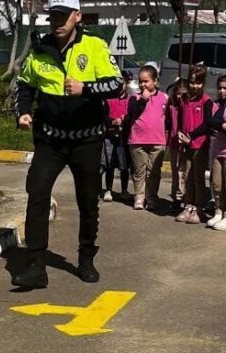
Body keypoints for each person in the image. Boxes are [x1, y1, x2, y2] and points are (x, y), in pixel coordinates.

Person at [12, 0, 121, 289]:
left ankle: (86, 257)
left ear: (77, 16)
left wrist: (85, 88)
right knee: (37, 193)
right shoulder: (40, 49)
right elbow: (25, 85)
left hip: (86, 139)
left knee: (88, 199)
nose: (57, 21)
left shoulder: (94, 46)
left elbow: (118, 85)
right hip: (50, 140)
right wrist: (23, 111)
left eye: (63, 15)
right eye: (53, 16)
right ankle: (36, 265)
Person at [182, 72, 226, 232]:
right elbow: (212, 121)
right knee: (217, 184)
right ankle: (219, 211)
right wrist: (223, 125)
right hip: (218, 151)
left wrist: (221, 125)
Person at [125, 64, 169, 211]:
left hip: (157, 140)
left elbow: (168, 118)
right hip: (138, 140)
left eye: (146, 81)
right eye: (141, 81)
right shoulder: (134, 98)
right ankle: (139, 196)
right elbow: (132, 112)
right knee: (139, 171)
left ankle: (151, 197)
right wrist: (143, 99)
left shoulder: (164, 98)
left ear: (155, 81)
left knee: (154, 171)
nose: (143, 84)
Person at [175, 65, 212, 225]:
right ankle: (188, 205)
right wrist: (179, 134)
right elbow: (181, 119)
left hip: (199, 144)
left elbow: (207, 124)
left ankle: (199, 207)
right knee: (187, 176)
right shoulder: (183, 100)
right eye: (192, 82)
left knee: (198, 177)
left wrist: (191, 136)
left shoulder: (206, 101)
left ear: (203, 83)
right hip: (185, 144)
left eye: (198, 83)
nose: (194, 86)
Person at [100, 72, 132, 202]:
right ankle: (108, 189)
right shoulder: (107, 100)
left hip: (124, 137)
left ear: (126, 83)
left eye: (122, 83)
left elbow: (132, 116)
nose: (119, 86)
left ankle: (124, 190)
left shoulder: (130, 100)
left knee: (124, 165)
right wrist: (113, 122)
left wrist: (124, 121)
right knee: (109, 165)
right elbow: (103, 117)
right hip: (109, 136)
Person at [167, 80, 187, 210]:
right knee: (176, 171)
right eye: (178, 94)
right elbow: (168, 123)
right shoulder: (172, 107)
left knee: (184, 172)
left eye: (183, 94)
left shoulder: (188, 106)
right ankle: (176, 197)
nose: (180, 97)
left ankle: (184, 196)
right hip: (174, 143)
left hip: (186, 143)